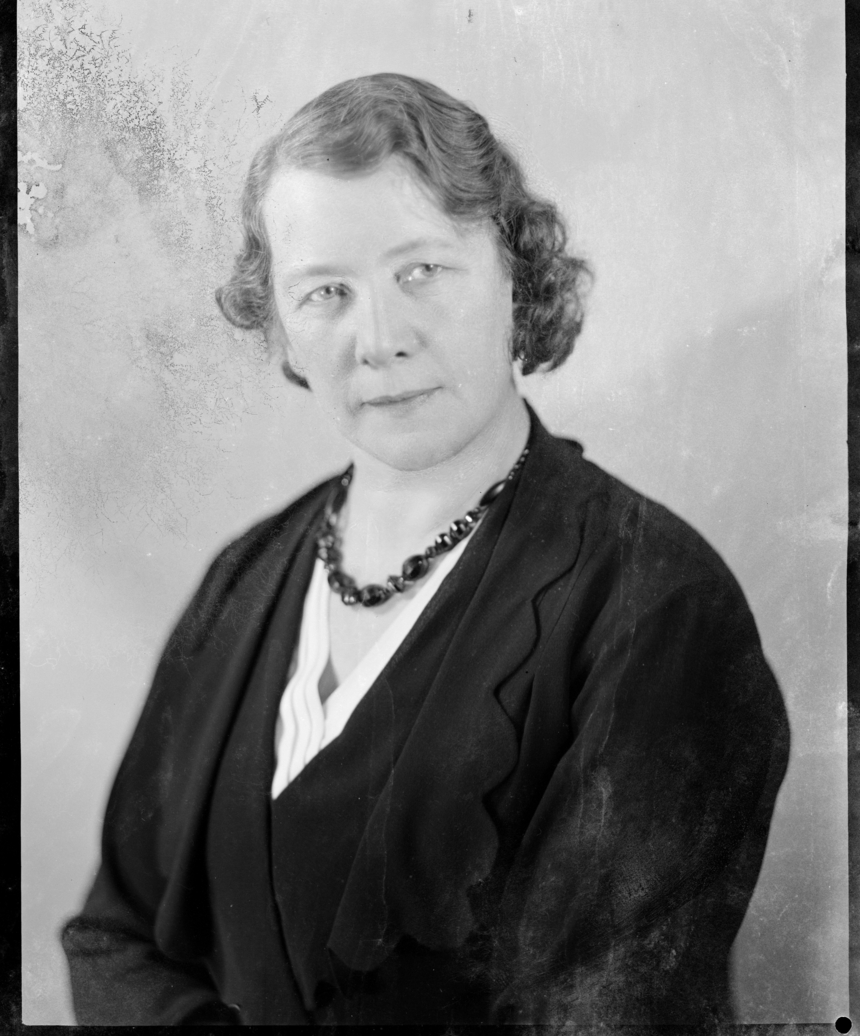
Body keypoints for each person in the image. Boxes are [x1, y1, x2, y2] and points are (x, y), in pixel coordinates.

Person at [61, 73, 790, 1026]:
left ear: (515, 275)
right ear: (279, 326)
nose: (380, 340)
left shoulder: (658, 606)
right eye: (326, 292)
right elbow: (113, 938)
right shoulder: (241, 582)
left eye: (422, 272)